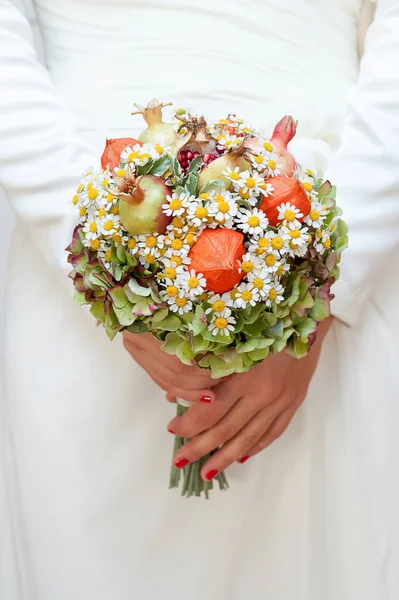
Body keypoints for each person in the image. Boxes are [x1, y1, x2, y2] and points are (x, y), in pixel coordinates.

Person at [1, 0, 398, 598]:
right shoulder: (93, 241)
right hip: (86, 229)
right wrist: (98, 255)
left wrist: (320, 292)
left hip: (318, 207)